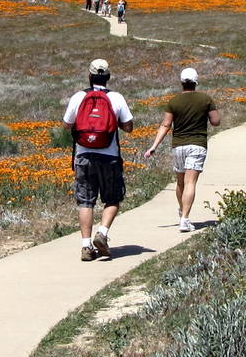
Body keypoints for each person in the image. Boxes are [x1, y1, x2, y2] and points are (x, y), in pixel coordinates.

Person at [63, 58, 134, 261]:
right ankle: (102, 233)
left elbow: (66, 124)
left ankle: (86, 246)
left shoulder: (78, 97)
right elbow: (129, 127)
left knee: (86, 200)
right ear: (108, 77)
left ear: (89, 76)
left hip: (83, 155)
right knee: (112, 198)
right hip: (109, 156)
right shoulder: (116, 98)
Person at [143, 67, 219, 232]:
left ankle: (182, 211)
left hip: (178, 145)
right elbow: (216, 122)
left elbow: (165, 125)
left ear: (181, 82)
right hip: (197, 144)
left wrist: (154, 146)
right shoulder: (206, 99)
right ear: (196, 81)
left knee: (180, 182)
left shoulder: (174, 101)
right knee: (190, 182)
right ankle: (184, 219)